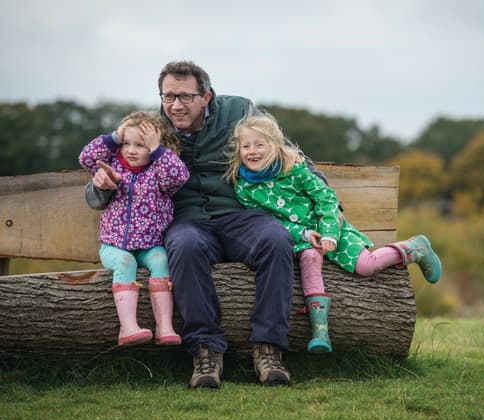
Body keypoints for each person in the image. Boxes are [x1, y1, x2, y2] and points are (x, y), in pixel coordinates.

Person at [85, 60, 330, 388]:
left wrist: (331, 207)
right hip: (189, 222)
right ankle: (206, 351)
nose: (175, 105)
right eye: (168, 96)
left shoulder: (239, 112)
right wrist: (100, 186)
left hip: (240, 215)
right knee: (182, 246)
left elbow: (285, 153)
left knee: (275, 237)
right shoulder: (151, 129)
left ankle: (269, 348)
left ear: (206, 96)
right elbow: (115, 169)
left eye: (185, 97)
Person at [225, 113, 443, 353]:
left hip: (332, 229)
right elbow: (266, 222)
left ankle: (413, 248)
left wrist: (329, 233)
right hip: (302, 239)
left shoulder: (294, 171)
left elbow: (326, 199)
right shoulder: (244, 188)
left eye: (259, 145)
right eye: (246, 146)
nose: (252, 151)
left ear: (274, 146)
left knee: (365, 266)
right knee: (310, 259)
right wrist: (305, 235)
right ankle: (320, 332)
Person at [79, 111, 189, 347]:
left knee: (162, 260)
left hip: (150, 247)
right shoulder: (114, 166)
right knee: (125, 262)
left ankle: (165, 327)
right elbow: (86, 158)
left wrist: (158, 150)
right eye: (126, 143)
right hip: (114, 247)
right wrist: (115, 136)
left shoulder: (159, 173)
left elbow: (179, 176)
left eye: (140, 145)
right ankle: (127, 328)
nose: (130, 150)